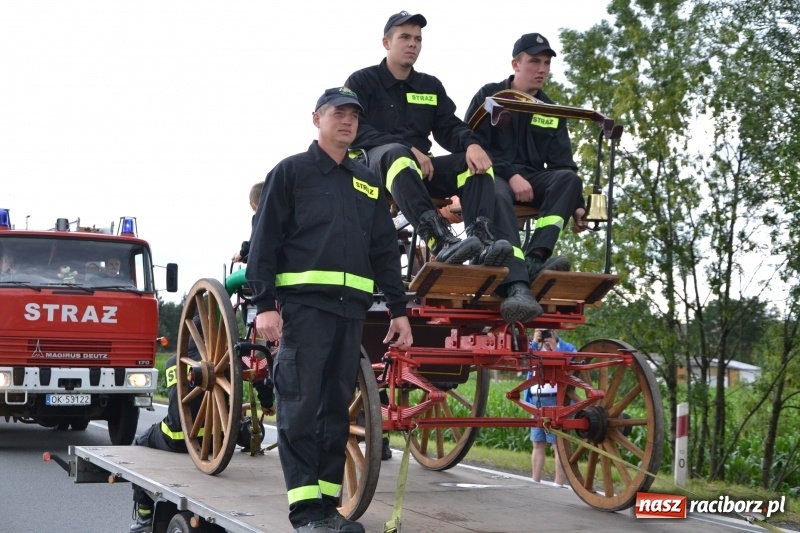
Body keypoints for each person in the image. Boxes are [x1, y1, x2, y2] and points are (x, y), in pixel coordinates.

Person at [246, 87, 413, 533]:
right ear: (316, 119)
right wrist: (264, 305)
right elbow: (264, 243)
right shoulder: (291, 173)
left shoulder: (365, 181)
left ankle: (327, 509)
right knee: (301, 407)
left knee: (335, 412)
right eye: (338, 113)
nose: (347, 121)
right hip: (303, 310)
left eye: (354, 115)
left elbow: (383, 249)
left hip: (350, 314)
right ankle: (304, 514)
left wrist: (398, 309)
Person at [343, 12, 544, 324]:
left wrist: (472, 144)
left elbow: (449, 127)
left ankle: (482, 241)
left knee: (474, 162)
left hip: (421, 171)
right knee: (397, 154)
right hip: (376, 170)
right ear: (386, 42)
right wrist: (410, 149)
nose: (413, 44)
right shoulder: (362, 81)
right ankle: (440, 240)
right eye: (405, 38)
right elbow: (356, 130)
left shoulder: (430, 86)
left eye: (418, 39)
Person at [466, 33, 590, 292]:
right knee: (496, 192)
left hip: (532, 182)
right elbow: (471, 145)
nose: (542, 69)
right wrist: (511, 175)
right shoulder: (489, 96)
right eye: (535, 61)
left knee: (570, 180)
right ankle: (514, 273)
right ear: (515, 64)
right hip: (492, 176)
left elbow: (563, 164)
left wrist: (578, 204)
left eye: (546, 63)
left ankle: (534, 258)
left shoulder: (551, 109)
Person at [129, 316, 275, 533]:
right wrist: (267, 404)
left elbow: (178, 403)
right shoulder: (229, 360)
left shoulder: (173, 362)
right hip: (219, 441)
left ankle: (144, 517)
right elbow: (260, 377)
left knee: (138, 444)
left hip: (178, 438)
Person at [524, 328, 576, 487]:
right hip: (536, 399)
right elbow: (524, 361)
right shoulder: (534, 347)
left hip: (557, 399)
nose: (545, 335)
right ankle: (535, 480)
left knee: (557, 444)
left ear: (554, 332)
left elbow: (574, 363)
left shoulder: (567, 348)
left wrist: (555, 349)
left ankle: (558, 483)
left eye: (548, 331)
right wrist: (535, 342)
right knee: (538, 442)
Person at [232, 181, 265, 263]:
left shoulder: (260, 219)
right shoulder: (282, 215)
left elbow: (254, 243)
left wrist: (241, 254)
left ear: (253, 206)